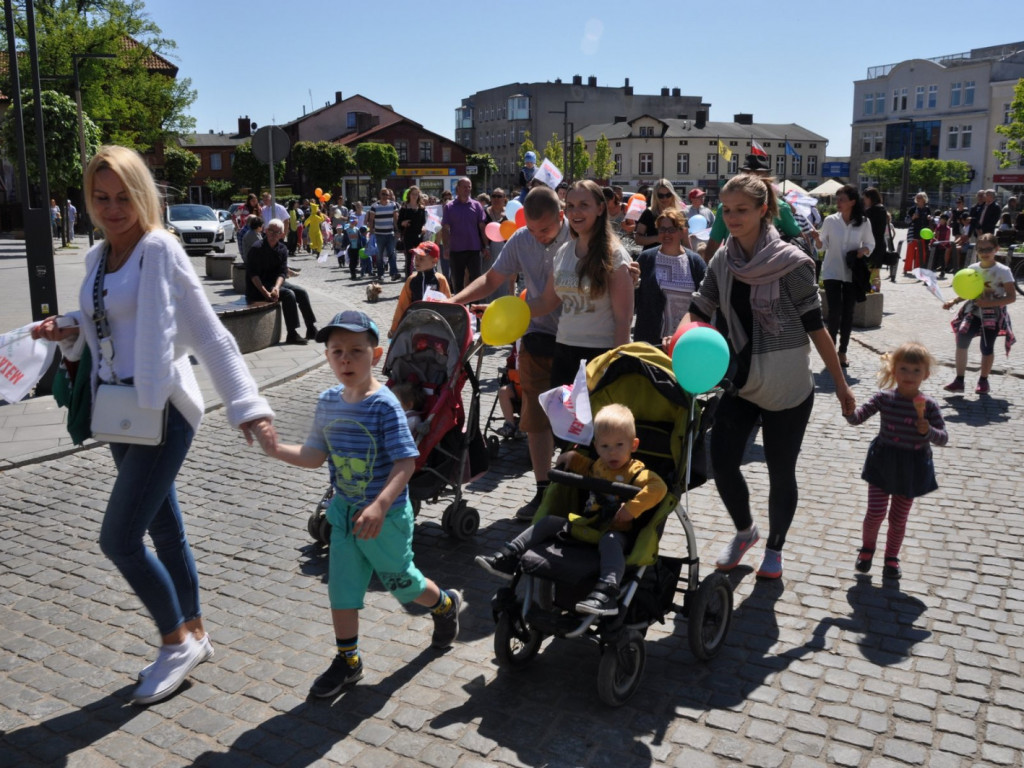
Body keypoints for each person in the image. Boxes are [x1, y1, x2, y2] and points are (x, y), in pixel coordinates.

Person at [30, 145, 277, 705]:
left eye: (123, 196)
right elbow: (108, 322)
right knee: (164, 530)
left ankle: (175, 644)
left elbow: (210, 332)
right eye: (101, 197)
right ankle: (195, 630)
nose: (113, 208)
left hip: (162, 409)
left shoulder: (159, 249)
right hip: (119, 408)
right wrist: (67, 327)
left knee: (118, 538)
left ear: (143, 195)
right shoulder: (98, 259)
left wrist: (248, 404)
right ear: (88, 201)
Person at [260, 310, 464, 698]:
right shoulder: (327, 401)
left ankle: (444, 605)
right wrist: (275, 449)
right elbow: (314, 455)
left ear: (376, 354)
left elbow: (406, 462)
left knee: (405, 585)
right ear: (327, 357)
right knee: (342, 589)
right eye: (337, 351)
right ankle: (348, 662)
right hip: (345, 514)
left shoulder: (384, 405)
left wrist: (380, 505)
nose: (346, 359)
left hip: (385, 518)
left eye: (356, 350)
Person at [677, 172, 855, 579]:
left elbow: (816, 327)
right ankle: (746, 531)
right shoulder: (723, 259)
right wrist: (685, 333)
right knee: (721, 462)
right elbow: (700, 306)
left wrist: (841, 384)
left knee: (780, 471)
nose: (733, 217)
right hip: (740, 382)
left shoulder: (791, 264)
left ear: (763, 210)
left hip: (788, 387)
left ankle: (775, 548)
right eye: (727, 209)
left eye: (742, 209)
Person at [475, 403, 667, 615]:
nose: (612, 452)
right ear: (596, 446)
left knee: (609, 542)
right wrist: (569, 457)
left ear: (633, 445)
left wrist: (632, 508)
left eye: (619, 445)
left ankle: (607, 589)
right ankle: (511, 552)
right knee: (549, 522)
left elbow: (659, 488)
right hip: (587, 525)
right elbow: (582, 464)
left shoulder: (636, 472)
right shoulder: (598, 465)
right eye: (604, 446)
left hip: (617, 531)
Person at [450, 186, 568, 520]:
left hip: (576, 336)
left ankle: (577, 493)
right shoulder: (521, 239)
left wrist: (505, 312)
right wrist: (456, 300)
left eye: (544, 229)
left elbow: (549, 299)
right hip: (536, 335)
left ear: (560, 217)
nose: (538, 236)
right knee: (536, 418)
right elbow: (492, 278)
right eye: (532, 229)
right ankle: (543, 491)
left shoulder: (575, 240)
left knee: (576, 420)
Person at [845, 342, 947, 579]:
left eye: (915, 370)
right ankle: (867, 549)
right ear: (893, 370)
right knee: (875, 513)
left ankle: (891, 557)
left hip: (911, 467)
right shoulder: (884, 398)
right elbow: (858, 418)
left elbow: (943, 438)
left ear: (926, 374)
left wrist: (928, 431)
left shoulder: (929, 405)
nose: (909, 375)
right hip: (883, 462)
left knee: (898, 518)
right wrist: (849, 410)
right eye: (903, 369)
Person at [530, 179, 634, 390]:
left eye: (583, 205)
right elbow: (546, 302)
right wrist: (503, 310)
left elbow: (624, 321)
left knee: (594, 423)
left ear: (600, 208)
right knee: (561, 422)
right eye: (570, 206)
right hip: (564, 352)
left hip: (599, 355)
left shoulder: (615, 256)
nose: (575, 212)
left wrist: (615, 367)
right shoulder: (563, 252)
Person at [941, 233, 1016, 394]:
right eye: (980, 249)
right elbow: (968, 291)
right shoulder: (972, 269)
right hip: (973, 312)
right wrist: (953, 301)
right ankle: (959, 380)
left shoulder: (1003, 270)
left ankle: (983, 380)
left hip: (993, 315)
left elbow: (1011, 297)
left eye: (988, 249)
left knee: (987, 347)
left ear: (996, 249)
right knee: (962, 339)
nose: (984, 252)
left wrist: (989, 303)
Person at [705, 156, 804, 259]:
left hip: (769, 267)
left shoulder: (779, 207)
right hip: (732, 267)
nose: (751, 180)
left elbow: (800, 241)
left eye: (742, 210)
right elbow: (712, 246)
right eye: (747, 174)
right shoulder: (725, 207)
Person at [633, 209, 707, 348]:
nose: (666, 234)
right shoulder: (646, 259)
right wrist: (633, 283)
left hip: (686, 341)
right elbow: (634, 300)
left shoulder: (695, 262)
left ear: (681, 231)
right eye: (662, 229)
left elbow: (705, 300)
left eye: (671, 229)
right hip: (652, 342)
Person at [819, 184, 874, 368]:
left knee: (848, 313)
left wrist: (862, 251)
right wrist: (816, 239)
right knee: (834, 312)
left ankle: (842, 352)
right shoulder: (830, 221)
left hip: (852, 272)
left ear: (852, 201)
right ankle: (831, 351)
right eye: (837, 199)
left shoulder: (864, 222)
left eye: (842, 199)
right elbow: (822, 246)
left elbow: (870, 244)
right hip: (831, 271)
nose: (838, 203)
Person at [245, 218, 318, 344]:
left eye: (277, 232)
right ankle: (292, 333)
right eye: (271, 231)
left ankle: (311, 328)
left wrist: (277, 288)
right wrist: (265, 292)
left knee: (301, 292)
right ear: (266, 231)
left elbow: (282, 272)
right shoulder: (256, 249)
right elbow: (253, 275)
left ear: (281, 234)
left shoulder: (282, 249)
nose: (274, 235)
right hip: (258, 287)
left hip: (274, 283)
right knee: (289, 295)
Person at [388, 241, 452, 338]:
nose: (417, 261)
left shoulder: (440, 280)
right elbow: (402, 306)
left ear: (434, 261)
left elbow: (448, 304)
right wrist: (394, 328)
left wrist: (449, 329)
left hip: (435, 327)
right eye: (416, 258)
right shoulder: (411, 280)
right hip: (414, 327)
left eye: (421, 259)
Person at [441, 177, 487, 294]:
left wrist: (486, 246)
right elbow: (445, 229)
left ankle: (474, 308)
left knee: (476, 281)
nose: (467, 189)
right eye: (464, 187)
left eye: (469, 187)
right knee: (457, 282)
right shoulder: (449, 207)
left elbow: (482, 227)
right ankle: (460, 308)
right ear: (458, 189)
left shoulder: (477, 206)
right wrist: (446, 247)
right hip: (456, 250)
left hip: (474, 249)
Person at [634, 179, 681, 249]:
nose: (665, 198)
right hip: (652, 256)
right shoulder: (648, 213)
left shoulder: (679, 214)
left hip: (675, 256)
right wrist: (657, 238)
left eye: (668, 195)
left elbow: (685, 240)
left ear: (673, 195)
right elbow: (638, 239)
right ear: (656, 196)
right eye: (661, 196)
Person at [368, 187, 400, 281]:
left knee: (392, 253)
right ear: (379, 195)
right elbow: (371, 219)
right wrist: (371, 231)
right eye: (383, 194)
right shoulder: (375, 206)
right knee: (379, 255)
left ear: (389, 195)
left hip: (390, 233)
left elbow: (395, 219)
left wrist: (397, 230)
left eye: (386, 194)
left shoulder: (393, 205)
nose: (385, 196)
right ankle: (380, 274)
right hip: (379, 234)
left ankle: (393, 273)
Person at [862, 187, 890, 289]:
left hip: (874, 245)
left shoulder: (874, 210)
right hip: (879, 244)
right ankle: (875, 291)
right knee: (875, 271)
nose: (864, 201)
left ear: (870, 198)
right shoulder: (881, 208)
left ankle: (873, 292)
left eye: (865, 198)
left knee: (872, 271)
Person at [397, 185, 427, 278]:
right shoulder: (404, 207)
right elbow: (399, 223)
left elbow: (424, 222)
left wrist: (424, 227)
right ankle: (408, 278)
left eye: (416, 194)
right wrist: (403, 223)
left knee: (421, 257)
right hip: (408, 235)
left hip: (419, 235)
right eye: (413, 194)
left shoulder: (421, 208)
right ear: (409, 195)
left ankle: (420, 277)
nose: (414, 196)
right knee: (409, 258)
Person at [903, 192, 932, 275]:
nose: (918, 199)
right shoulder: (912, 209)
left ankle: (918, 269)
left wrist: (930, 218)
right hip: (913, 234)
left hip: (923, 234)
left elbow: (930, 220)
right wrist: (913, 217)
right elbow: (906, 221)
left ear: (924, 199)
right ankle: (906, 268)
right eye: (917, 198)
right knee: (910, 252)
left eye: (920, 198)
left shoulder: (927, 209)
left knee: (921, 252)